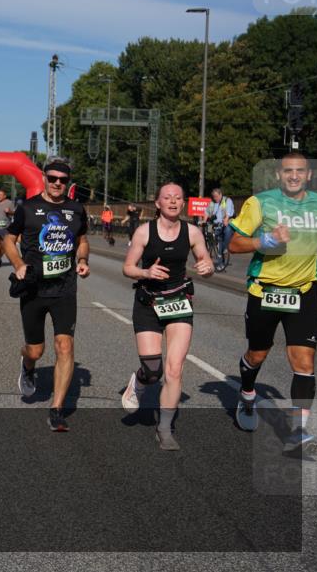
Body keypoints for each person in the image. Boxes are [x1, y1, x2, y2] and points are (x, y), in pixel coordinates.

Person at [229, 152, 317, 454]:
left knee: (305, 363)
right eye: (288, 171)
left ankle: (298, 433)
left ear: (308, 175)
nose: (294, 176)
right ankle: (247, 393)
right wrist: (264, 241)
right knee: (257, 355)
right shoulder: (261, 203)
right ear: (279, 175)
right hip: (264, 291)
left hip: (304, 291)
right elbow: (234, 243)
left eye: (300, 171)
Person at [120, 183, 215, 450]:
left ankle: (165, 428)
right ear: (158, 203)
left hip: (178, 301)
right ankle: (138, 382)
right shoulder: (143, 232)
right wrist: (146, 273)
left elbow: (206, 263)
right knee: (153, 371)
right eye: (167, 197)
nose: (172, 201)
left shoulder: (193, 232)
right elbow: (128, 268)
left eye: (177, 198)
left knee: (174, 369)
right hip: (148, 303)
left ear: (183, 203)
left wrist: (208, 268)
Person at [4, 161, 89, 432]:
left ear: (68, 182)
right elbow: (9, 239)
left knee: (65, 346)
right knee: (36, 350)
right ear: (44, 178)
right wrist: (18, 263)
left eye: (63, 180)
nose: (57, 184)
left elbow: (82, 239)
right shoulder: (27, 208)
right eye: (52, 178)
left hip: (65, 288)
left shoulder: (76, 209)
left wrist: (83, 258)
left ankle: (57, 409)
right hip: (34, 288)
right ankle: (28, 365)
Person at [204, 188, 235, 272]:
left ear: (221, 194)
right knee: (213, 240)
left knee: (228, 231)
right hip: (215, 225)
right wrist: (204, 221)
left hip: (226, 223)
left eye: (216, 196)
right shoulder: (212, 203)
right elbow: (207, 212)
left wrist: (226, 219)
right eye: (214, 197)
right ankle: (219, 262)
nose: (215, 198)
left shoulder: (227, 201)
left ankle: (225, 248)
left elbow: (228, 211)